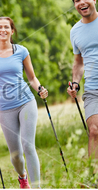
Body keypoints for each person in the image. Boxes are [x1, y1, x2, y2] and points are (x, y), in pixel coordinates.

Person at [0, 17, 48, 189]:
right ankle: (23, 177)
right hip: (5, 108)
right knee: (15, 155)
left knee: (28, 146)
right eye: (0, 27)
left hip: (26, 102)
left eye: (7, 27)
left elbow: (32, 78)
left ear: (12, 31)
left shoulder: (21, 51)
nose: (3, 30)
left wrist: (40, 89)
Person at [67, 0, 98, 160]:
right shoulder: (75, 31)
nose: (81, 3)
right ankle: (94, 179)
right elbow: (78, 62)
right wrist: (75, 83)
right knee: (94, 130)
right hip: (92, 89)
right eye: (76, 0)